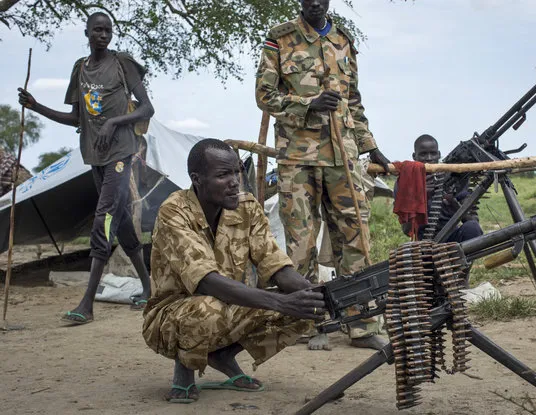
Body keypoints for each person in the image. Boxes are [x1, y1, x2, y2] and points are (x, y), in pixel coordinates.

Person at [142, 139, 325, 403]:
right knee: (205, 308)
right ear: (197, 179)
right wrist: (281, 302)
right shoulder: (174, 211)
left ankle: (223, 356)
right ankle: (184, 373)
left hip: (229, 303)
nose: (234, 181)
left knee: (305, 307)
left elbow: (275, 266)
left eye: (236, 171)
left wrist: (316, 295)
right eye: (222, 175)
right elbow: (206, 282)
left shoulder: (246, 208)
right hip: (170, 316)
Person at [255, 0, 391, 351]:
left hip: (342, 156)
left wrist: (369, 145)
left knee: (355, 237)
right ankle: (308, 324)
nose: (315, 1)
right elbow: (264, 95)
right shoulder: (279, 38)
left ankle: (360, 323)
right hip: (298, 157)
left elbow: (354, 101)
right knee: (301, 242)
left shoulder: (343, 39)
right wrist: (308, 104)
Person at [18, 12, 154, 324]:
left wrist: (113, 122)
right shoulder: (80, 69)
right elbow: (76, 118)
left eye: (108, 30)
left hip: (121, 153)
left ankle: (86, 304)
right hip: (94, 157)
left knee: (103, 219)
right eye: (97, 30)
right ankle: (149, 289)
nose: (103, 35)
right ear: (87, 33)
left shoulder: (123, 64)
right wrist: (36, 106)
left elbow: (147, 107)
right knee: (119, 224)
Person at [398, 134, 483, 243]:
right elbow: (407, 229)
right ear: (414, 157)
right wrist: (421, 198)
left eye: (433, 154)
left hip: (452, 237)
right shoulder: (407, 182)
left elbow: (473, 221)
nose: (429, 159)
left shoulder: (453, 177)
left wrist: (454, 204)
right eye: (423, 154)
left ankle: (460, 259)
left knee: (472, 228)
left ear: (439, 155)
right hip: (423, 242)